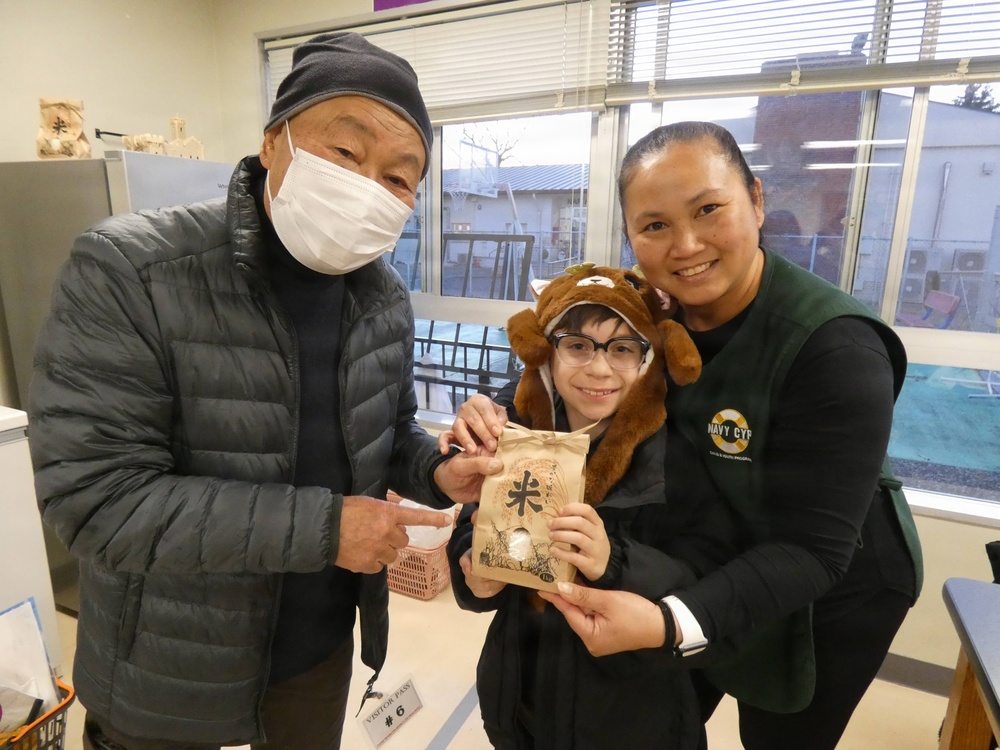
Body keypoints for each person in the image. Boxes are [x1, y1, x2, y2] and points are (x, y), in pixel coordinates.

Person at [27, 32, 498, 750]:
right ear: (274, 141)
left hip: (316, 655)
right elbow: (95, 500)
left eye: (401, 178)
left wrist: (438, 469)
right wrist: (327, 528)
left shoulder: (382, 300)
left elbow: (387, 432)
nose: (372, 186)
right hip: (168, 670)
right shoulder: (132, 271)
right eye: (346, 153)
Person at [445, 121, 922, 750]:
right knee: (668, 703)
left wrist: (671, 620)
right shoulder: (655, 307)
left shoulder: (838, 350)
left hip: (830, 574)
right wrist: (491, 416)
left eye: (708, 209)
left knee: (778, 728)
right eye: (655, 225)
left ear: (755, 199)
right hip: (711, 547)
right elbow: (568, 366)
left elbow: (811, 551)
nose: (686, 244)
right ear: (632, 236)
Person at [444, 265, 737, 750]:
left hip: (632, 717)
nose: (598, 369)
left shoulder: (677, 458)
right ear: (548, 354)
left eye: (622, 348)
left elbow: (710, 580)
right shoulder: (514, 439)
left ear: (647, 359)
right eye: (578, 345)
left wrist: (614, 561)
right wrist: (473, 575)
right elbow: (470, 533)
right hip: (519, 697)